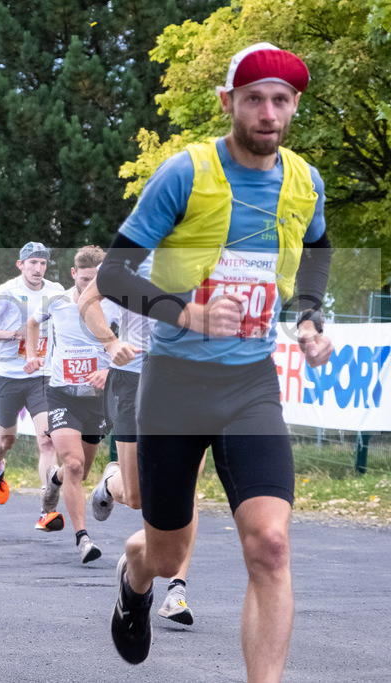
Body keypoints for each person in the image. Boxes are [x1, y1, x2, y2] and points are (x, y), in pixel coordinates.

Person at [97, 44, 332, 680]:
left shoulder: (304, 182)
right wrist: (188, 315)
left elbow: (316, 250)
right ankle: (134, 574)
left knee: (271, 544)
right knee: (167, 556)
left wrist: (310, 317)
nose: (268, 112)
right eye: (254, 98)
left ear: (295, 106)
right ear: (228, 101)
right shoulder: (185, 174)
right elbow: (113, 274)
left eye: (280, 99)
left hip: (250, 385)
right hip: (175, 385)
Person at [79, 253, 202, 624]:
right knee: (135, 497)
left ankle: (177, 589)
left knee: (187, 484)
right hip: (134, 375)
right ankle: (110, 481)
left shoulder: (216, 253)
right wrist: (110, 342)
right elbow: (87, 299)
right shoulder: (135, 252)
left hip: (191, 378)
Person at [24, 246, 110, 563]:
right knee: (73, 464)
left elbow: (129, 347)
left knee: (80, 471)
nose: (90, 287)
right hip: (62, 394)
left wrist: (109, 372)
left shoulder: (114, 304)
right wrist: (32, 355)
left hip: (97, 400)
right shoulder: (57, 300)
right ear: (74, 274)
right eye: (85, 280)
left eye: (96, 281)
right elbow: (32, 324)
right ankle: (83, 539)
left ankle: (54, 480)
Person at [0, 242, 64, 516]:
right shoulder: (6, 292)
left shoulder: (55, 291)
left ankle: (47, 507)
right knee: (6, 440)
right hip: (6, 376)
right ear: (20, 265)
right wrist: (13, 334)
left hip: (41, 376)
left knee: (47, 440)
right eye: (32, 263)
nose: (38, 268)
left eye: (42, 263)